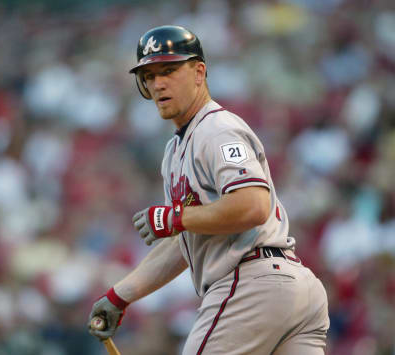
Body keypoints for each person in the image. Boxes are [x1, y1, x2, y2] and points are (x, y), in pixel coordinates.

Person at [88, 25, 330, 355]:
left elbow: (253, 206)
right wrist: (121, 294)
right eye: (149, 75)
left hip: (251, 285)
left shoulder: (216, 129)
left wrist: (175, 217)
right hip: (288, 290)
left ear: (199, 72)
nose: (158, 83)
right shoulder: (177, 150)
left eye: (169, 70)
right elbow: (187, 241)